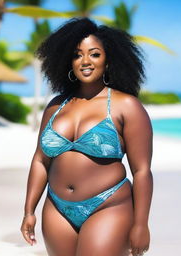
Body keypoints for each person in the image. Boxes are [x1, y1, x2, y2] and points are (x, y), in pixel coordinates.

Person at [20, 17, 153, 256]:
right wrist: (29, 210)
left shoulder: (126, 106)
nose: (85, 61)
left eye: (94, 54)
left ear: (108, 60)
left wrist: (141, 224)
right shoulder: (56, 106)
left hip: (108, 204)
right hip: (56, 207)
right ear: (67, 61)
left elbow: (142, 171)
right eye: (77, 54)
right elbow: (40, 160)